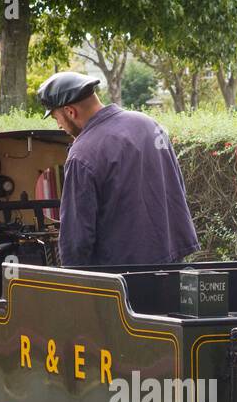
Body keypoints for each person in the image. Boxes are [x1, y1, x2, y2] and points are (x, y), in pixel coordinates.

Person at [37, 72, 198, 268]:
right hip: (172, 259)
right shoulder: (149, 124)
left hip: (122, 275)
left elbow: (77, 236)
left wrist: (73, 282)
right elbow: (177, 187)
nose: (59, 126)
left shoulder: (82, 154)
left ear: (70, 111)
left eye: (56, 118)